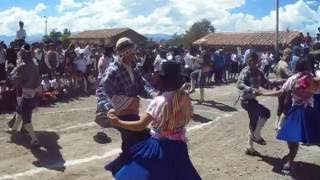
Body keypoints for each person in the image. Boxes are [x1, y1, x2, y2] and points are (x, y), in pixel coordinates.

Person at [108, 60, 201, 180]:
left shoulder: (159, 101)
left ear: (163, 79)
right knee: (179, 173)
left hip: (160, 146)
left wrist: (118, 122)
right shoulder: (185, 98)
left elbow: (140, 125)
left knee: (147, 173)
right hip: (179, 145)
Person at [96, 37, 156, 172]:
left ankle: (123, 168)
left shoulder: (133, 68)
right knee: (138, 139)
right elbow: (102, 90)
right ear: (124, 54)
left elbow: (142, 85)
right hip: (121, 113)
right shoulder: (113, 70)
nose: (134, 55)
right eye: (132, 52)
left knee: (132, 141)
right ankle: (126, 170)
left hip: (132, 112)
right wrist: (109, 107)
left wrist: (153, 94)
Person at [261, 58, 320, 171]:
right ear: (307, 67)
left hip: (297, 111)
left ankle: (291, 161)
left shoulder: (293, 79)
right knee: (309, 135)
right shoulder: (313, 79)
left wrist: (264, 94)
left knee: (292, 138)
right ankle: (291, 160)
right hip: (311, 111)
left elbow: (280, 92)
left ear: (296, 67)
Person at [237, 52, 280, 156]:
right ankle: (256, 135)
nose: (253, 63)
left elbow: (266, 83)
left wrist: (277, 84)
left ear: (258, 61)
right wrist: (251, 89)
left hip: (252, 100)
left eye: (255, 61)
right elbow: (239, 84)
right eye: (251, 61)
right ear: (248, 61)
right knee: (266, 113)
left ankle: (250, 147)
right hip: (246, 101)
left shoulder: (259, 72)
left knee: (253, 122)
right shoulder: (245, 71)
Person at [9, 44, 41, 146]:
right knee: (19, 111)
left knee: (26, 120)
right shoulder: (35, 64)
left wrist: (12, 72)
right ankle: (14, 129)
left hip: (27, 95)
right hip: (35, 93)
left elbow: (15, 81)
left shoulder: (23, 66)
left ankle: (34, 139)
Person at [274, 48, 293, 130]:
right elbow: (289, 74)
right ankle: (280, 125)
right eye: (290, 55)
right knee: (286, 105)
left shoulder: (279, 62)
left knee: (280, 105)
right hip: (284, 87)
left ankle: (276, 124)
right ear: (287, 55)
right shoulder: (285, 64)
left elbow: (274, 70)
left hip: (279, 86)